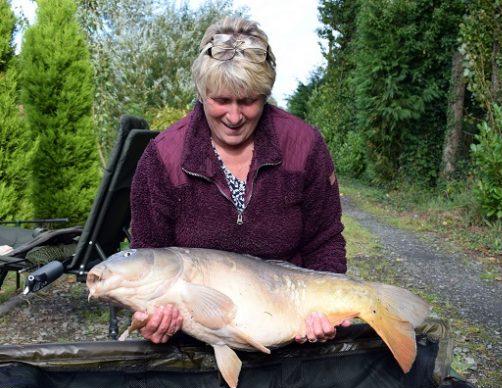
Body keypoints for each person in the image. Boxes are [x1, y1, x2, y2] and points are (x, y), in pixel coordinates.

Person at [130, 17, 348, 346]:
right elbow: (147, 256)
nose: (234, 117)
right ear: (202, 93)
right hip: (198, 341)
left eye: (248, 101)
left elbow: (325, 241)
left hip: (289, 330)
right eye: (221, 101)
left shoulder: (304, 147)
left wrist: (324, 310)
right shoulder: (161, 158)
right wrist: (151, 317)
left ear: (266, 94)